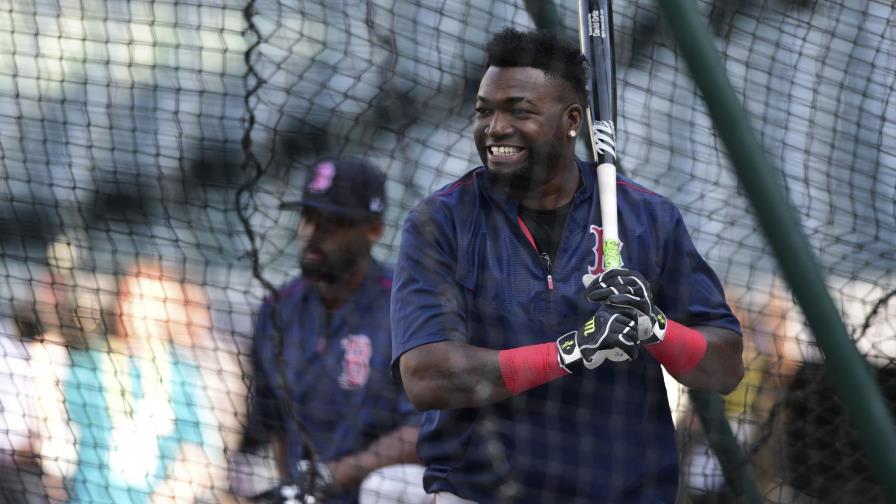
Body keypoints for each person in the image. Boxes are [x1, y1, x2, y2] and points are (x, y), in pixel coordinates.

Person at [390, 28, 745, 503]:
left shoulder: (646, 218)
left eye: (519, 110)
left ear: (571, 120)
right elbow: (426, 376)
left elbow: (723, 369)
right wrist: (569, 352)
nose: (495, 127)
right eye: (484, 110)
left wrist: (656, 329)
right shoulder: (441, 222)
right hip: (482, 492)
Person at [241, 157, 427, 504]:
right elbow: (274, 422)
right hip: (309, 494)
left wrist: (331, 476)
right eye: (309, 218)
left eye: (332, 223)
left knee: (390, 486)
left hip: (382, 493)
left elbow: (424, 432)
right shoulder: (277, 311)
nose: (313, 234)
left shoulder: (409, 307)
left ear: (373, 230)